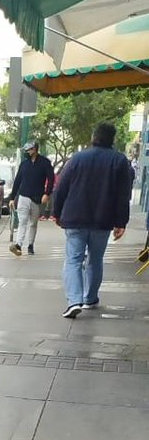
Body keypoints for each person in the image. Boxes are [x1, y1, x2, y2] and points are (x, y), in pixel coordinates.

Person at [52, 121, 133, 319]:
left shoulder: (78, 158)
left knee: (73, 259)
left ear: (93, 137)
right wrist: (121, 222)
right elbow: (124, 195)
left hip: (75, 218)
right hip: (102, 220)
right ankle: (90, 298)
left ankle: (74, 301)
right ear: (112, 139)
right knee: (95, 260)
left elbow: (61, 188)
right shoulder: (120, 161)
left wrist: (57, 212)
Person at [8, 139, 54, 256]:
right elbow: (17, 181)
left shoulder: (45, 162)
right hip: (23, 196)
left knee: (33, 223)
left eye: (28, 150)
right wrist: (12, 198)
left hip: (37, 198)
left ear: (34, 150)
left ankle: (30, 244)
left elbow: (51, 179)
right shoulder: (24, 164)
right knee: (22, 221)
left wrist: (47, 193)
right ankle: (18, 244)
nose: (26, 152)